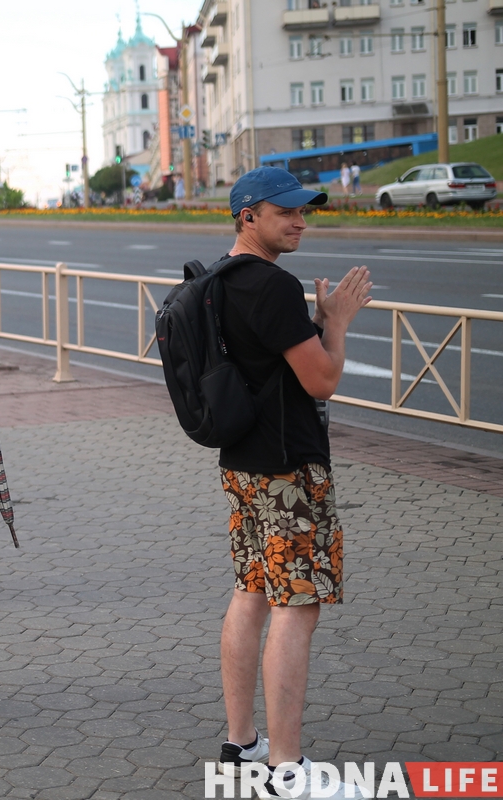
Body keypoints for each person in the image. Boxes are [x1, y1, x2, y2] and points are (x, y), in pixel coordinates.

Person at [215, 167, 372, 797]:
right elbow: (321, 380)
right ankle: (287, 768)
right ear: (248, 215)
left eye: (305, 211)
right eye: (287, 212)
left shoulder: (216, 280)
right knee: (296, 605)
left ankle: (241, 744)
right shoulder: (271, 287)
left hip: (242, 464)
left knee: (251, 592)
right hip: (289, 472)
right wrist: (334, 320)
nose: (300, 221)